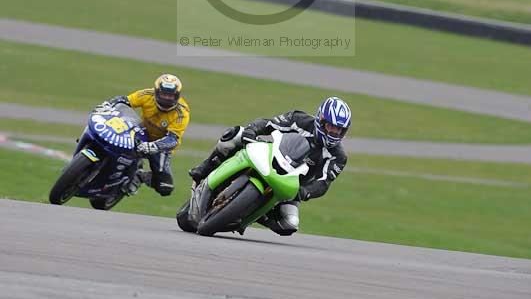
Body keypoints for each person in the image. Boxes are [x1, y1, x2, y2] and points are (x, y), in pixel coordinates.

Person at [188, 96, 351, 236]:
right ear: (320, 120)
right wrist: (252, 131)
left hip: (290, 187)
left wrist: (305, 192)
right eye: (330, 126)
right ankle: (204, 169)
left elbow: (323, 183)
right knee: (235, 134)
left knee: (290, 223)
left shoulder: (338, 157)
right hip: (270, 156)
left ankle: (253, 213)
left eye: (338, 130)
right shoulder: (299, 120)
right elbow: (269, 124)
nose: (333, 133)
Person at [95, 73, 190, 197]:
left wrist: (153, 146)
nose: (167, 98)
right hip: (140, 131)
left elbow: (173, 139)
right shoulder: (147, 94)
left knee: (165, 187)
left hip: (160, 145)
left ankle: (141, 176)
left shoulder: (182, 113)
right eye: (164, 94)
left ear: (177, 96)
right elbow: (124, 101)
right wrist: (107, 106)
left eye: (170, 95)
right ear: (156, 92)